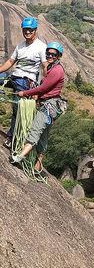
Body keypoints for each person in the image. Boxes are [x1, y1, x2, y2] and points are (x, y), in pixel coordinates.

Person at [11, 42, 66, 171]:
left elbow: (43, 88)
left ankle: (20, 156)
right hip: (49, 105)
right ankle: (38, 165)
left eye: (54, 54)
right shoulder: (52, 67)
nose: (50, 56)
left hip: (49, 106)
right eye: (48, 53)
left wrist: (25, 93)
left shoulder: (57, 70)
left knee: (35, 129)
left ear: (59, 56)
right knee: (44, 134)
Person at [0, 17, 47, 147]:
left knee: (17, 109)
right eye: (25, 29)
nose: (27, 32)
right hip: (14, 77)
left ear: (35, 30)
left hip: (26, 81)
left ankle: (11, 138)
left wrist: (41, 88)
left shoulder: (41, 47)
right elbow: (10, 62)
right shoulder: (20, 46)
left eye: (30, 30)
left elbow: (45, 67)